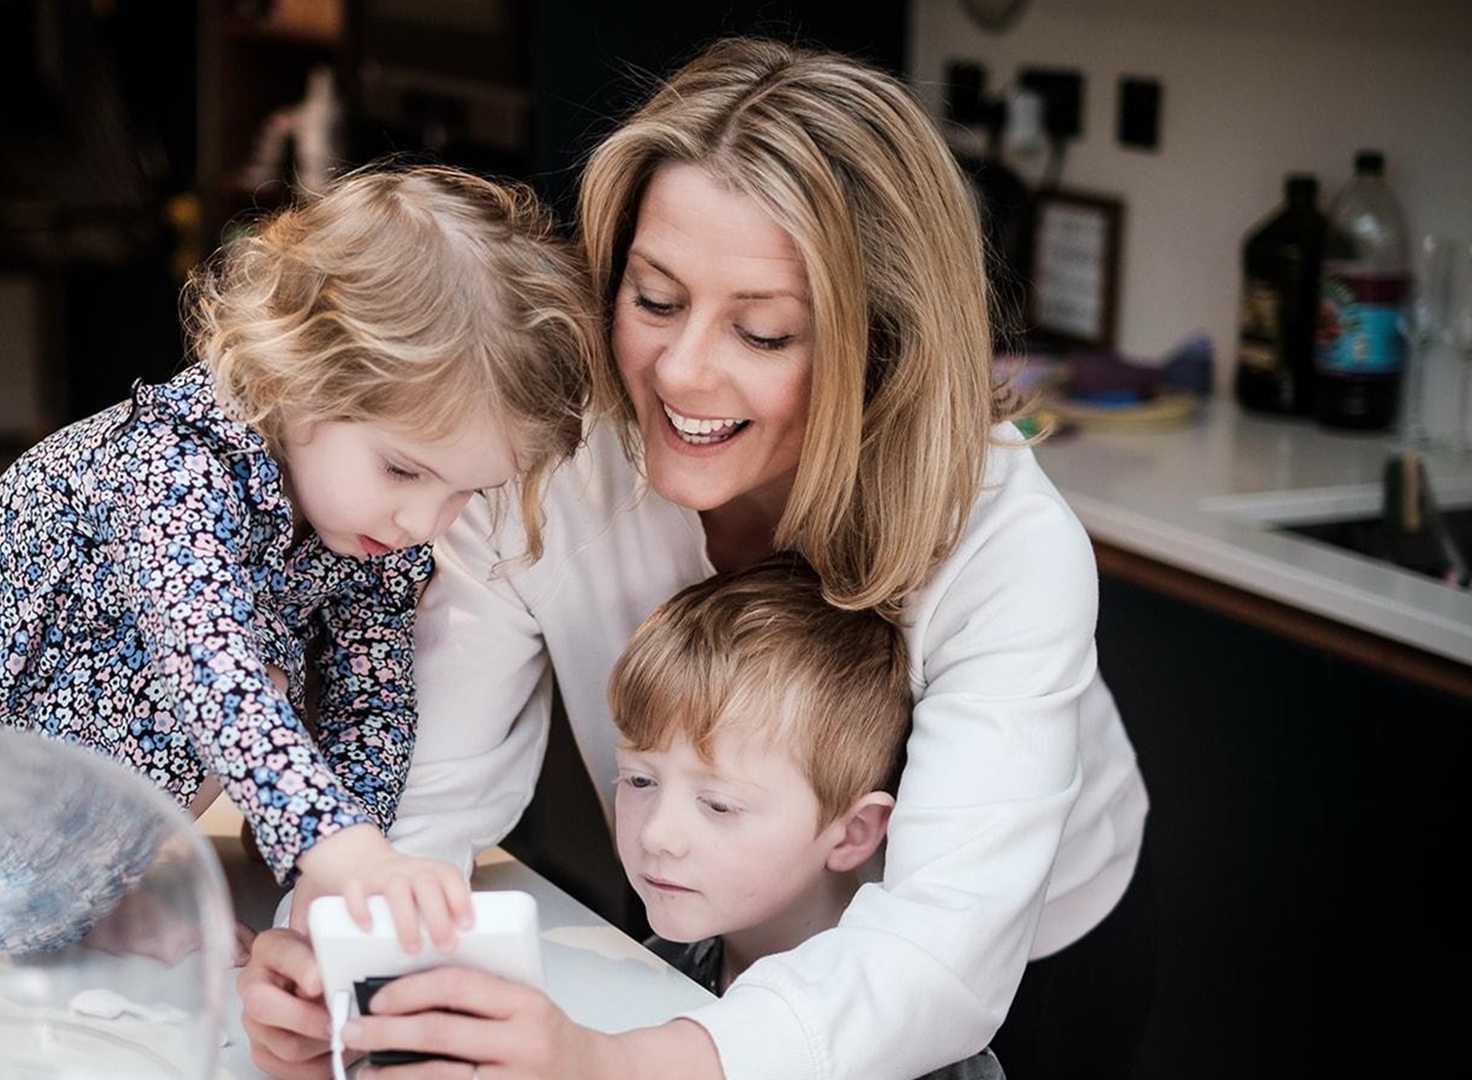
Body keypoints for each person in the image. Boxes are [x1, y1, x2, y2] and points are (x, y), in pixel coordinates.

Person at [239, 36, 1154, 1080]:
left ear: (881, 347)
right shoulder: (544, 450)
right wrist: (337, 956)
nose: (680, 371)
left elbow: (940, 959)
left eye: (763, 333)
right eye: (656, 300)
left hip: (1014, 965)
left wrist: (605, 1066)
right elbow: (433, 785)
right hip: (706, 927)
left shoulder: (1003, 540)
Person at [0, 163, 599, 951]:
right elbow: (207, 666)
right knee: (243, 672)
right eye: (404, 470)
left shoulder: (371, 526)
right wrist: (329, 842)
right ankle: (75, 902)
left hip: (78, 809)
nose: (422, 520)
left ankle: (105, 894)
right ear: (301, 377)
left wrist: (336, 879)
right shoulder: (173, 464)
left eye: (464, 494)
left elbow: (372, 705)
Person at [337, 554, 1003, 1078]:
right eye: (639, 779)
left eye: (719, 804)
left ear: (853, 833)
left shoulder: (925, 1053)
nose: (657, 835)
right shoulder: (666, 962)